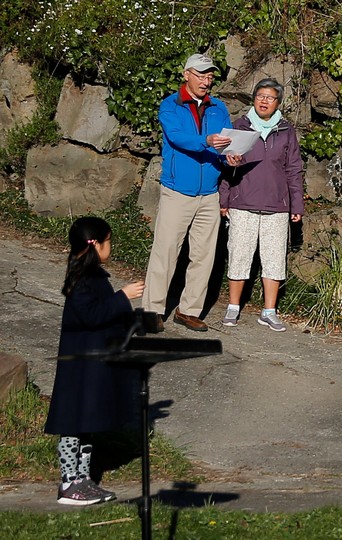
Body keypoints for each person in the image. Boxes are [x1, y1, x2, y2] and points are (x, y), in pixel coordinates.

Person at [44, 217, 145, 505]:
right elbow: (92, 315)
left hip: (93, 363)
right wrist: (122, 297)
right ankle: (68, 483)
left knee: (87, 422)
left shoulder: (93, 276)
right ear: (96, 244)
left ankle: (84, 479)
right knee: (72, 424)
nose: (110, 246)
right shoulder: (81, 280)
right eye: (109, 241)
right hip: (80, 366)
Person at [142, 52, 242, 332]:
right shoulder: (170, 106)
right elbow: (177, 137)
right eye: (201, 75)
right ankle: (152, 309)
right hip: (177, 192)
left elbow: (225, 144)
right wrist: (207, 141)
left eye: (210, 76)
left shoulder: (218, 108)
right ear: (186, 74)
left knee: (204, 255)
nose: (206, 81)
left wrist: (230, 157)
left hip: (209, 193)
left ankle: (189, 310)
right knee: (166, 252)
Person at [218, 78, 305, 332]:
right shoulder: (239, 127)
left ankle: (269, 311)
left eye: (270, 97)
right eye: (260, 96)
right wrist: (224, 199)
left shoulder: (286, 131)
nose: (264, 101)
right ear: (253, 98)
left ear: (278, 102)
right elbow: (224, 166)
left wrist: (296, 204)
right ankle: (233, 307)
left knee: (274, 259)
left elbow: (294, 169)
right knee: (238, 255)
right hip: (242, 202)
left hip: (277, 206)